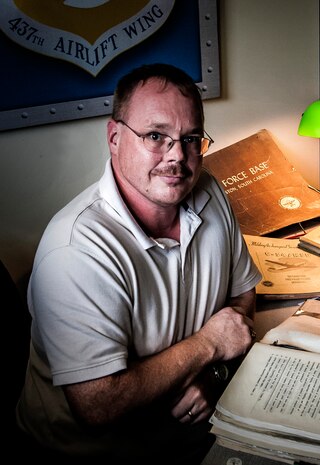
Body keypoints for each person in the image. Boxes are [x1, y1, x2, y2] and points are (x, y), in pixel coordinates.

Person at [15, 63, 262, 464]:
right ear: (114, 138)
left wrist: (212, 374)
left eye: (191, 138)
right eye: (155, 136)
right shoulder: (75, 247)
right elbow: (98, 406)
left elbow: (242, 294)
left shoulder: (210, 190)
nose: (178, 157)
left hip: (197, 434)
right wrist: (209, 346)